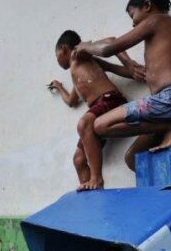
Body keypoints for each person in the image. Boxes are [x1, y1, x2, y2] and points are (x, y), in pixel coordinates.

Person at [75, 0, 171, 171]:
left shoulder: (155, 21)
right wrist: (109, 67)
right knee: (133, 159)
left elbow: (109, 48)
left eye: (133, 15)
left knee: (100, 126)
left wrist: (84, 46)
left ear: (148, 5)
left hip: (170, 99)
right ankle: (163, 183)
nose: (133, 23)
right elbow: (147, 73)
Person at [50, 30, 144, 190]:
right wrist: (59, 88)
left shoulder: (78, 54)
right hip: (99, 107)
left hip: (110, 99)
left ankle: (96, 178)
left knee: (83, 124)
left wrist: (129, 63)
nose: (57, 60)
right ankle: (93, 198)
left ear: (64, 49)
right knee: (79, 160)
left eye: (56, 54)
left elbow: (111, 40)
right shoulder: (78, 70)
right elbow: (72, 101)